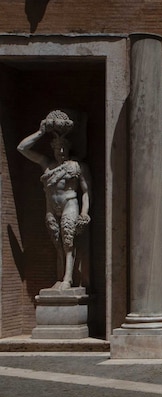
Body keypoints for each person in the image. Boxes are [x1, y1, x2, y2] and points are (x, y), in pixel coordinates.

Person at [17, 110, 91, 290]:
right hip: (51, 206)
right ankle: (60, 277)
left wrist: (84, 213)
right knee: (57, 242)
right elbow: (22, 148)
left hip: (70, 203)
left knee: (68, 240)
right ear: (53, 149)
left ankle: (68, 279)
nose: (61, 152)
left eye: (64, 148)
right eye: (58, 149)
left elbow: (86, 191)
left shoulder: (76, 166)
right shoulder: (47, 165)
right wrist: (41, 132)